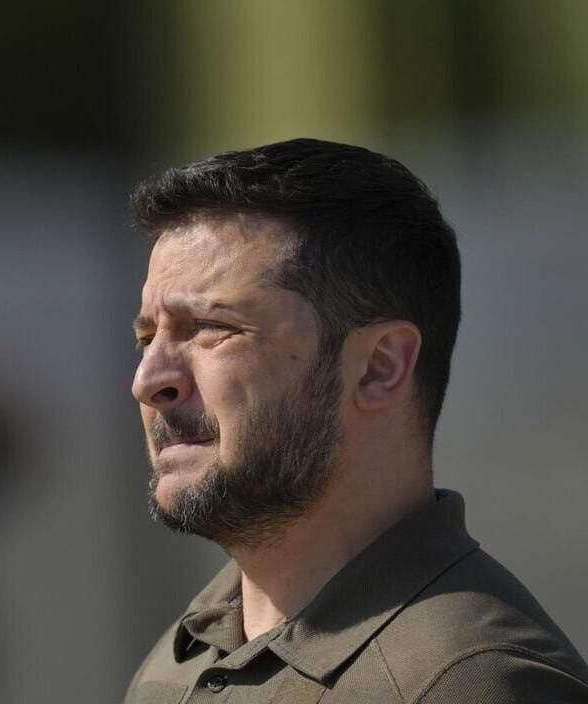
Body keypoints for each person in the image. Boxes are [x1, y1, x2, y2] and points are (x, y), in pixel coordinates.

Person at [124, 139, 588, 703]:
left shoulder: (473, 682)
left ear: (379, 367)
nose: (149, 380)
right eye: (147, 337)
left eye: (209, 328)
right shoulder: (180, 664)